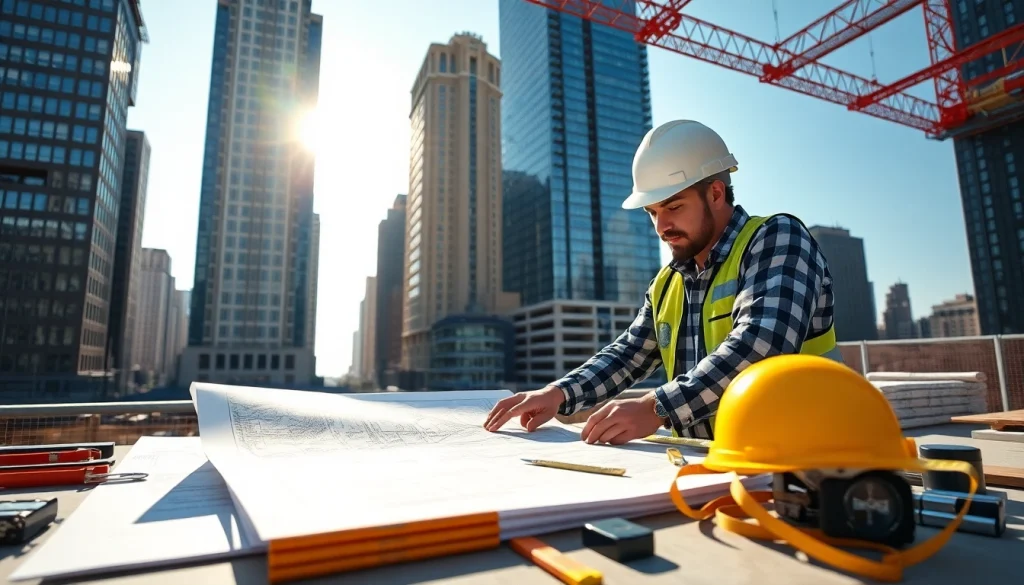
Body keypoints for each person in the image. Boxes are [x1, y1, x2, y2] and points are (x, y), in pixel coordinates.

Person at [483, 119, 842, 444]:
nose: (661, 226)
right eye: (652, 212)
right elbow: (627, 355)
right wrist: (558, 393)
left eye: (673, 207)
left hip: (808, 461)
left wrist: (656, 407)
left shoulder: (778, 238)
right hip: (714, 466)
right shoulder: (668, 283)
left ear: (716, 194)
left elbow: (761, 345)